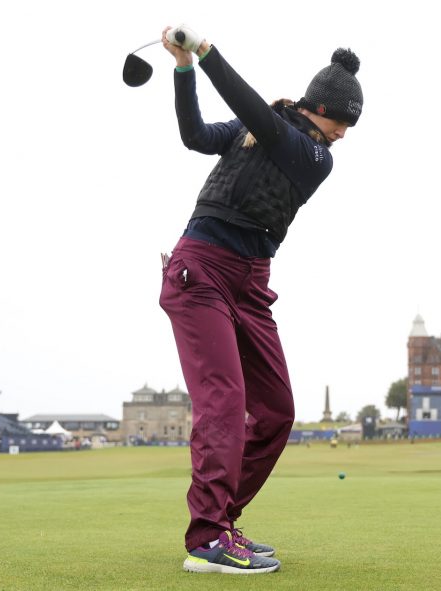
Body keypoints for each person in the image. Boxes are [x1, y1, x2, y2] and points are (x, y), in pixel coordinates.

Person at [155, 24, 363, 574]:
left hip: (251, 285)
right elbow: (196, 135)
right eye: (341, 120)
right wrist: (186, 67)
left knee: (276, 411)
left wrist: (204, 54)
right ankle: (206, 541)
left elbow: (261, 119)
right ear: (319, 107)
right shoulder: (264, 129)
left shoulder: (313, 157)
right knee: (224, 399)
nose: (344, 132)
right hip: (200, 271)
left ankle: (221, 521)